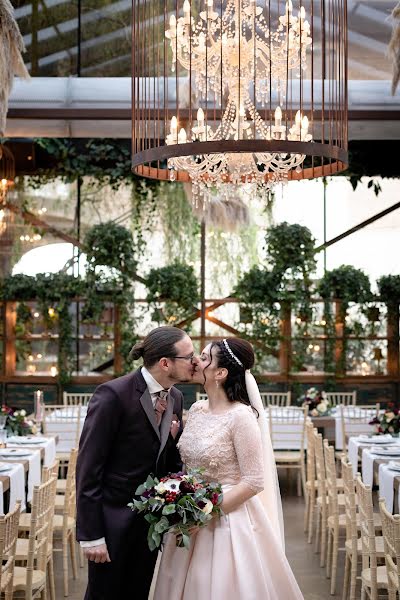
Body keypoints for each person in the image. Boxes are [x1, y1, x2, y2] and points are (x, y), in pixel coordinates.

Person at [153, 337, 304, 600]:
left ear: (220, 373)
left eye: (204, 357)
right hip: (189, 516)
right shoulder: (197, 410)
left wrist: (203, 515)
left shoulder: (241, 417)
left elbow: (255, 480)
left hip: (228, 523)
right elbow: (189, 462)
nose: (196, 361)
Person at [76, 326, 198, 600]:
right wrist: (91, 534)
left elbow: (168, 461)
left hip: (149, 525)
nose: (195, 361)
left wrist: (181, 507)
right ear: (166, 363)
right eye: (189, 356)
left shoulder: (176, 397)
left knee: (137, 593)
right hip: (111, 524)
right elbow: (88, 468)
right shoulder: (113, 395)